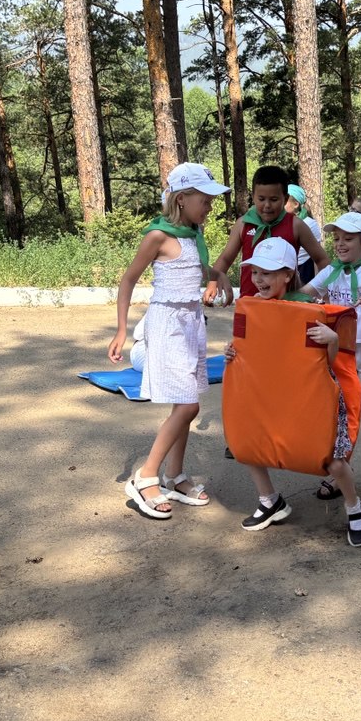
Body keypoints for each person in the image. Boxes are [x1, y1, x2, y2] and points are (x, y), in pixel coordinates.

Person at [225, 237, 361, 547]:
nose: (259, 279)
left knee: (332, 461)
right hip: (270, 395)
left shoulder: (309, 309)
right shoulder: (254, 308)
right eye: (255, 272)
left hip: (309, 398)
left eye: (267, 272)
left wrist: (332, 339)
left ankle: (354, 507)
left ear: (288, 274)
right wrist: (232, 351)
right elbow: (249, 350)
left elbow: (328, 364)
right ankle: (269, 500)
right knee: (248, 444)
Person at [109, 162, 231, 520]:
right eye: (205, 200)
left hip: (191, 324)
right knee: (188, 407)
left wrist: (218, 274)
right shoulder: (158, 236)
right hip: (168, 326)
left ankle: (174, 476)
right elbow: (128, 280)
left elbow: (195, 268)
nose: (209, 207)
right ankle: (146, 476)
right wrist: (121, 330)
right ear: (181, 199)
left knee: (185, 402)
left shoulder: (192, 235)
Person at [302, 212, 361, 501]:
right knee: (340, 418)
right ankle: (341, 470)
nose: (340, 244)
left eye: (348, 239)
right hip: (341, 355)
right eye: (336, 239)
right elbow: (304, 293)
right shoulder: (331, 271)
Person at [205, 165, 329, 303]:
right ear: (253, 197)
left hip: (287, 305)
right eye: (261, 199)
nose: (267, 205)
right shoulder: (243, 225)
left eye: (274, 199)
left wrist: (321, 291)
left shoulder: (296, 225)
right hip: (249, 304)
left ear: (285, 198)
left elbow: (322, 260)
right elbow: (225, 259)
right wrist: (212, 283)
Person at [285, 183, 323, 283]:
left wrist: (318, 283)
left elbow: (317, 257)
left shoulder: (310, 223)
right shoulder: (280, 222)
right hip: (285, 270)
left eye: (285, 201)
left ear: (296, 204)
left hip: (304, 270)